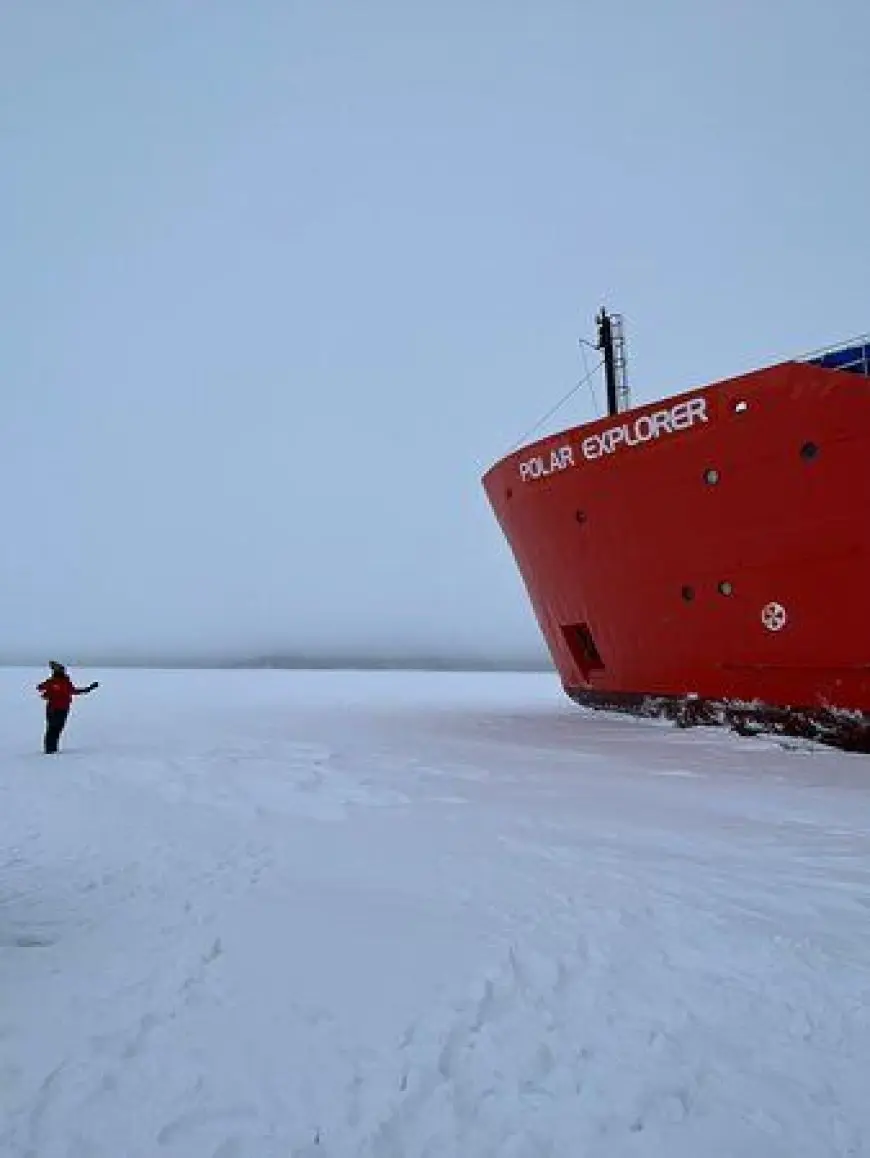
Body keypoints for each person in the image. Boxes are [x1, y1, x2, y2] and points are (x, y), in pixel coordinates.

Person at [36, 661, 99, 754]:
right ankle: (50, 750)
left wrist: (89, 689)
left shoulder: (63, 681)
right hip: (54, 708)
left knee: (56, 729)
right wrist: (48, 691)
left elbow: (74, 691)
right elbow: (40, 688)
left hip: (61, 709)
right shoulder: (53, 681)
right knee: (53, 729)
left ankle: (51, 749)